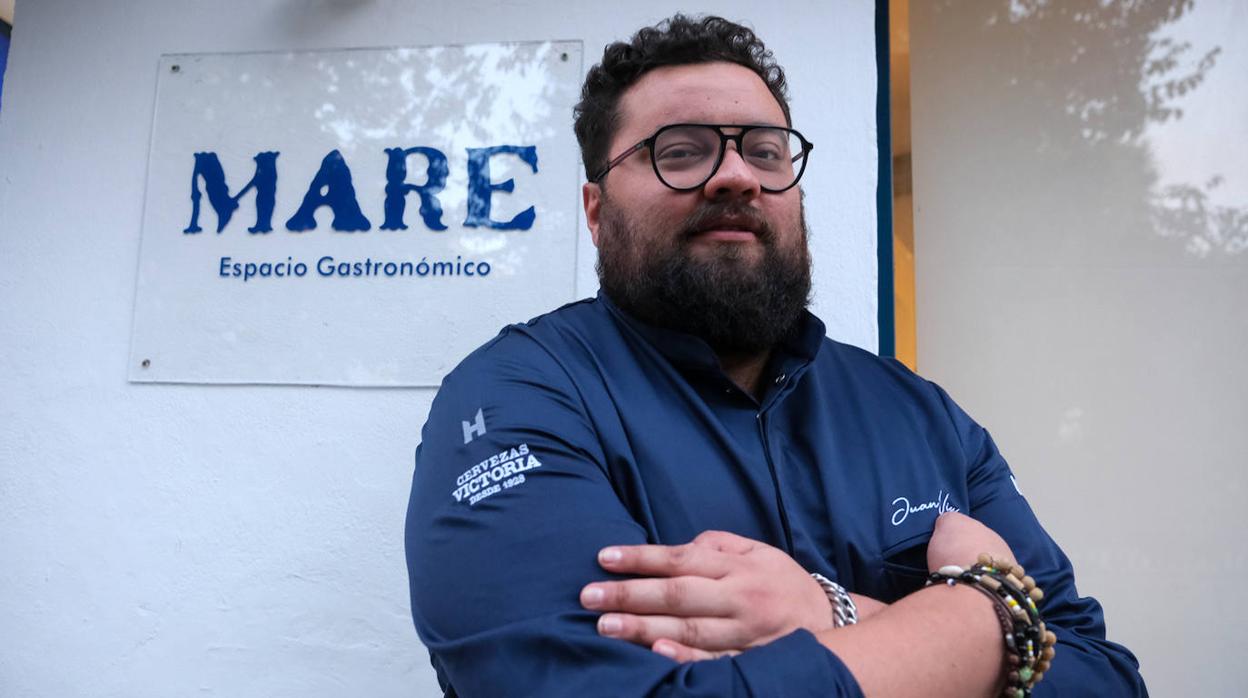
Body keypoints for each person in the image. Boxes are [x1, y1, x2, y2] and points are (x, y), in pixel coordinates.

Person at [404, 14, 1146, 697]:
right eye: (681, 151)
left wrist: (837, 613)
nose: (736, 176)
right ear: (597, 213)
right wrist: (983, 620)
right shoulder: (520, 398)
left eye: (764, 150)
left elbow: (1102, 678)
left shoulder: (922, 416)